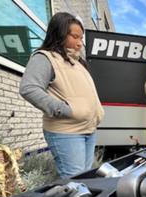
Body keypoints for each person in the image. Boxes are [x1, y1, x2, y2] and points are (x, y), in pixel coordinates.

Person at [19, 12, 104, 178]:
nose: (80, 43)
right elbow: (29, 88)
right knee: (76, 184)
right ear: (60, 33)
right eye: (75, 37)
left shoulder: (78, 63)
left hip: (88, 129)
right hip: (67, 131)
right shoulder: (45, 58)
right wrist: (64, 109)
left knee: (85, 179)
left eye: (81, 38)